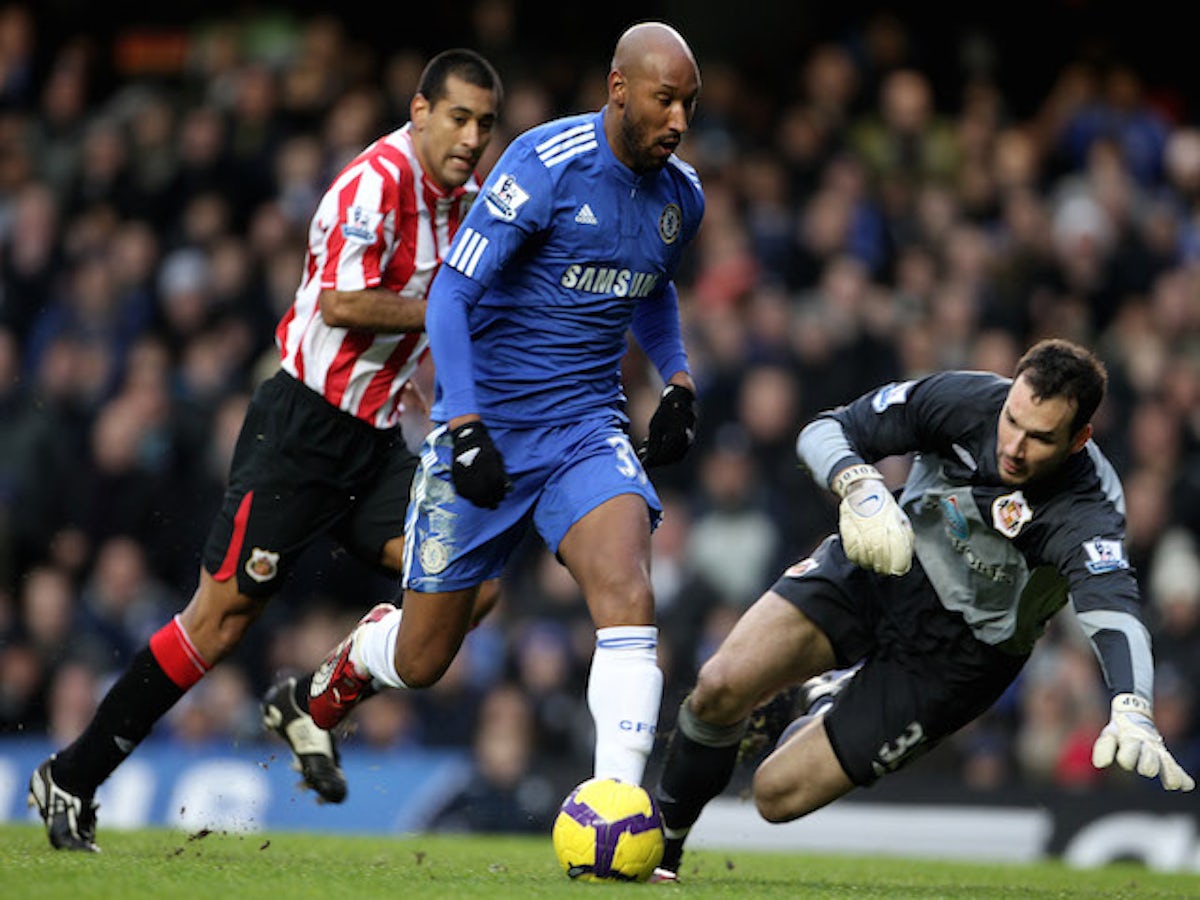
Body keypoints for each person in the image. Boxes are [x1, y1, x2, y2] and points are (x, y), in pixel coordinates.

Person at [29, 48, 505, 852]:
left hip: (377, 443)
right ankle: (70, 776)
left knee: (471, 584)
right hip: (302, 434)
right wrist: (443, 313)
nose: (472, 138)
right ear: (420, 112)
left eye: (485, 125)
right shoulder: (373, 182)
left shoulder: (465, 202)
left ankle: (319, 694)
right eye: (458, 117)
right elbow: (342, 301)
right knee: (214, 626)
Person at [290, 21, 705, 794]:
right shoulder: (543, 166)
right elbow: (451, 291)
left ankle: (615, 809)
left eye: (689, 104)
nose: (679, 121)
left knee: (629, 589)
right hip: (487, 432)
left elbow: (652, 284)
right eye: (665, 101)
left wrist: (677, 379)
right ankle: (353, 662)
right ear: (619, 90)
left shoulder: (681, 197)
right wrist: (466, 422)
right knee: (422, 660)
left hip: (585, 429)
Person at [649, 337, 1194, 882]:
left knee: (774, 795)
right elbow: (825, 429)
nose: (1014, 447)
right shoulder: (962, 399)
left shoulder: (1089, 506)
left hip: (960, 657)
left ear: (1079, 440)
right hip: (887, 565)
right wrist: (857, 484)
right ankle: (662, 849)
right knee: (720, 683)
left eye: (1040, 438)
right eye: (1012, 421)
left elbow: (1113, 609)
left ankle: (833, 699)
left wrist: (1131, 702)